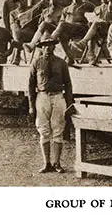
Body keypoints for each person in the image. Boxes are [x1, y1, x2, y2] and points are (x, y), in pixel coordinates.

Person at [28, 35, 74, 173]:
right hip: (42, 97)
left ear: (54, 46)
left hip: (58, 97)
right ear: (41, 47)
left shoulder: (61, 63)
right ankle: (46, 163)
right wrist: (31, 105)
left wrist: (69, 103)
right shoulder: (36, 63)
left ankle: (57, 163)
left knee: (58, 129)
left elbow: (68, 84)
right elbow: (31, 85)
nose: (48, 47)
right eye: (45, 45)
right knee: (43, 130)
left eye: (50, 44)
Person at [50, 0, 94, 65]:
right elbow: (61, 21)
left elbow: (95, 16)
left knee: (63, 25)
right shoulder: (66, 9)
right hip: (70, 30)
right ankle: (70, 57)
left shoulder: (88, 5)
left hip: (83, 29)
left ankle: (51, 40)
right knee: (62, 34)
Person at [71, 0, 112, 65]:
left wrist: (106, 22)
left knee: (95, 24)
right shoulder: (97, 8)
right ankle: (91, 56)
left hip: (108, 30)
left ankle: (84, 43)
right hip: (97, 30)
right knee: (91, 26)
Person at [9, 0, 36, 65]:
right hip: (19, 34)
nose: (21, 2)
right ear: (16, 2)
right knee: (16, 31)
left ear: (25, 0)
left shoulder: (31, 10)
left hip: (30, 34)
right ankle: (18, 53)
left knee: (16, 37)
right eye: (18, 0)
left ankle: (17, 56)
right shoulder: (13, 13)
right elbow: (12, 25)